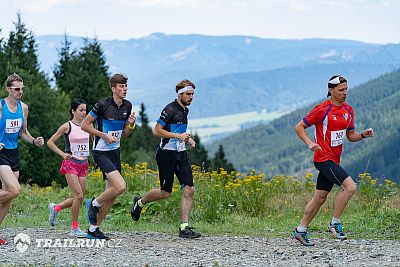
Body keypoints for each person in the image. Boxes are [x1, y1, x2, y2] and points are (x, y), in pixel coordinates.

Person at [292, 75, 374, 246]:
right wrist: (310, 143)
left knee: (320, 198)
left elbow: (350, 136)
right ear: (330, 90)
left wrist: (363, 135)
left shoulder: (348, 111)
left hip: (334, 160)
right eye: (341, 90)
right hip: (322, 158)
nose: (345, 93)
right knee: (350, 186)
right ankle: (335, 224)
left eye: (346, 89)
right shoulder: (322, 109)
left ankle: (300, 230)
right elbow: (299, 127)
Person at [130, 79, 201, 239]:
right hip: (166, 155)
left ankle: (184, 227)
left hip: (181, 154)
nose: (191, 97)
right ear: (180, 94)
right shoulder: (170, 109)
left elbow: (179, 130)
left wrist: (187, 139)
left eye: (192, 94)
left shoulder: (185, 111)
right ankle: (139, 202)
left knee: (189, 189)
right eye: (188, 94)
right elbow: (156, 131)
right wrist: (178, 136)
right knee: (165, 193)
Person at [82, 74, 135, 239]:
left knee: (111, 194)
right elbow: (85, 125)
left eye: (125, 86)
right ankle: (94, 203)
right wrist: (104, 135)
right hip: (101, 152)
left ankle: (93, 229)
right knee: (120, 187)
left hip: (115, 152)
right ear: (113, 88)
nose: (124, 89)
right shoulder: (102, 105)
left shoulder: (127, 105)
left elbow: (125, 134)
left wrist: (131, 124)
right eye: (121, 86)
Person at [0, 74, 44, 245]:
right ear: (8, 89)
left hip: (14, 153)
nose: (20, 92)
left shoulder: (23, 108)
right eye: (16, 89)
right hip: (1, 153)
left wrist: (34, 140)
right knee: (15, 189)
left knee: (9, 197)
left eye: (22, 89)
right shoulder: (1, 107)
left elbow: (23, 132)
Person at [47, 98, 89, 238]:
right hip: (71, 164)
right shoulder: (67, 126)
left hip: (84, 164)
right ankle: (74, 228)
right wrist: (62, 154)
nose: (84, 113)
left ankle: (55, 208)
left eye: (85, 110)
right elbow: (50, 142)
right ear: (73, 111)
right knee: (79, 195)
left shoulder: (88, 125)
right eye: (81, 110)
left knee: (79, 198)